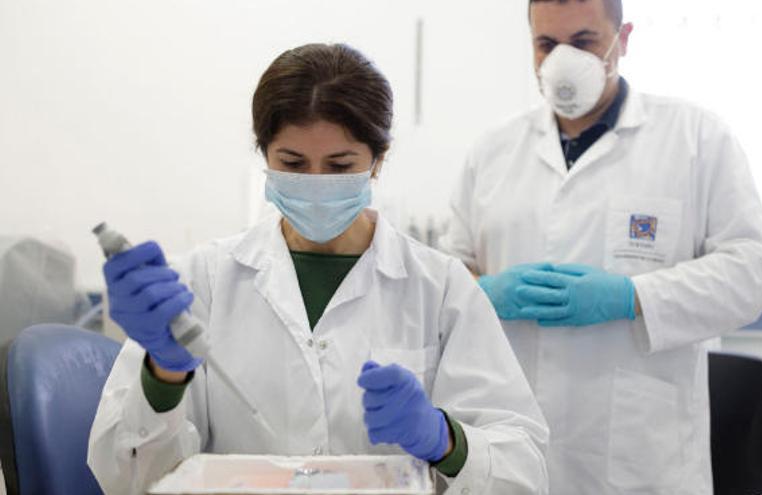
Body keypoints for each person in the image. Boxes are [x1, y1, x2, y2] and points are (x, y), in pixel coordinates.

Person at [88, 43, 549, 495]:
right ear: (264, 156)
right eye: (292, 162)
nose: (315, 183)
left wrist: (444, 439)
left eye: (340, 164)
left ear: (378, 160)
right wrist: (164, 374)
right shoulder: (203, 280)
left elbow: (523, 471)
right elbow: (125, 479)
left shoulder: (441, 287)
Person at [441, 1, 762, 493]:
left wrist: (634, 296)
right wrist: (484, 292)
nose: (562, 59)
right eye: (547, 44)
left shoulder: (695, 139)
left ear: (622, 40)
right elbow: (446, 275)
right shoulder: (493, 151)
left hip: (638, 458)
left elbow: (754, 270)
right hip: (509, 448)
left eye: (583, 42)